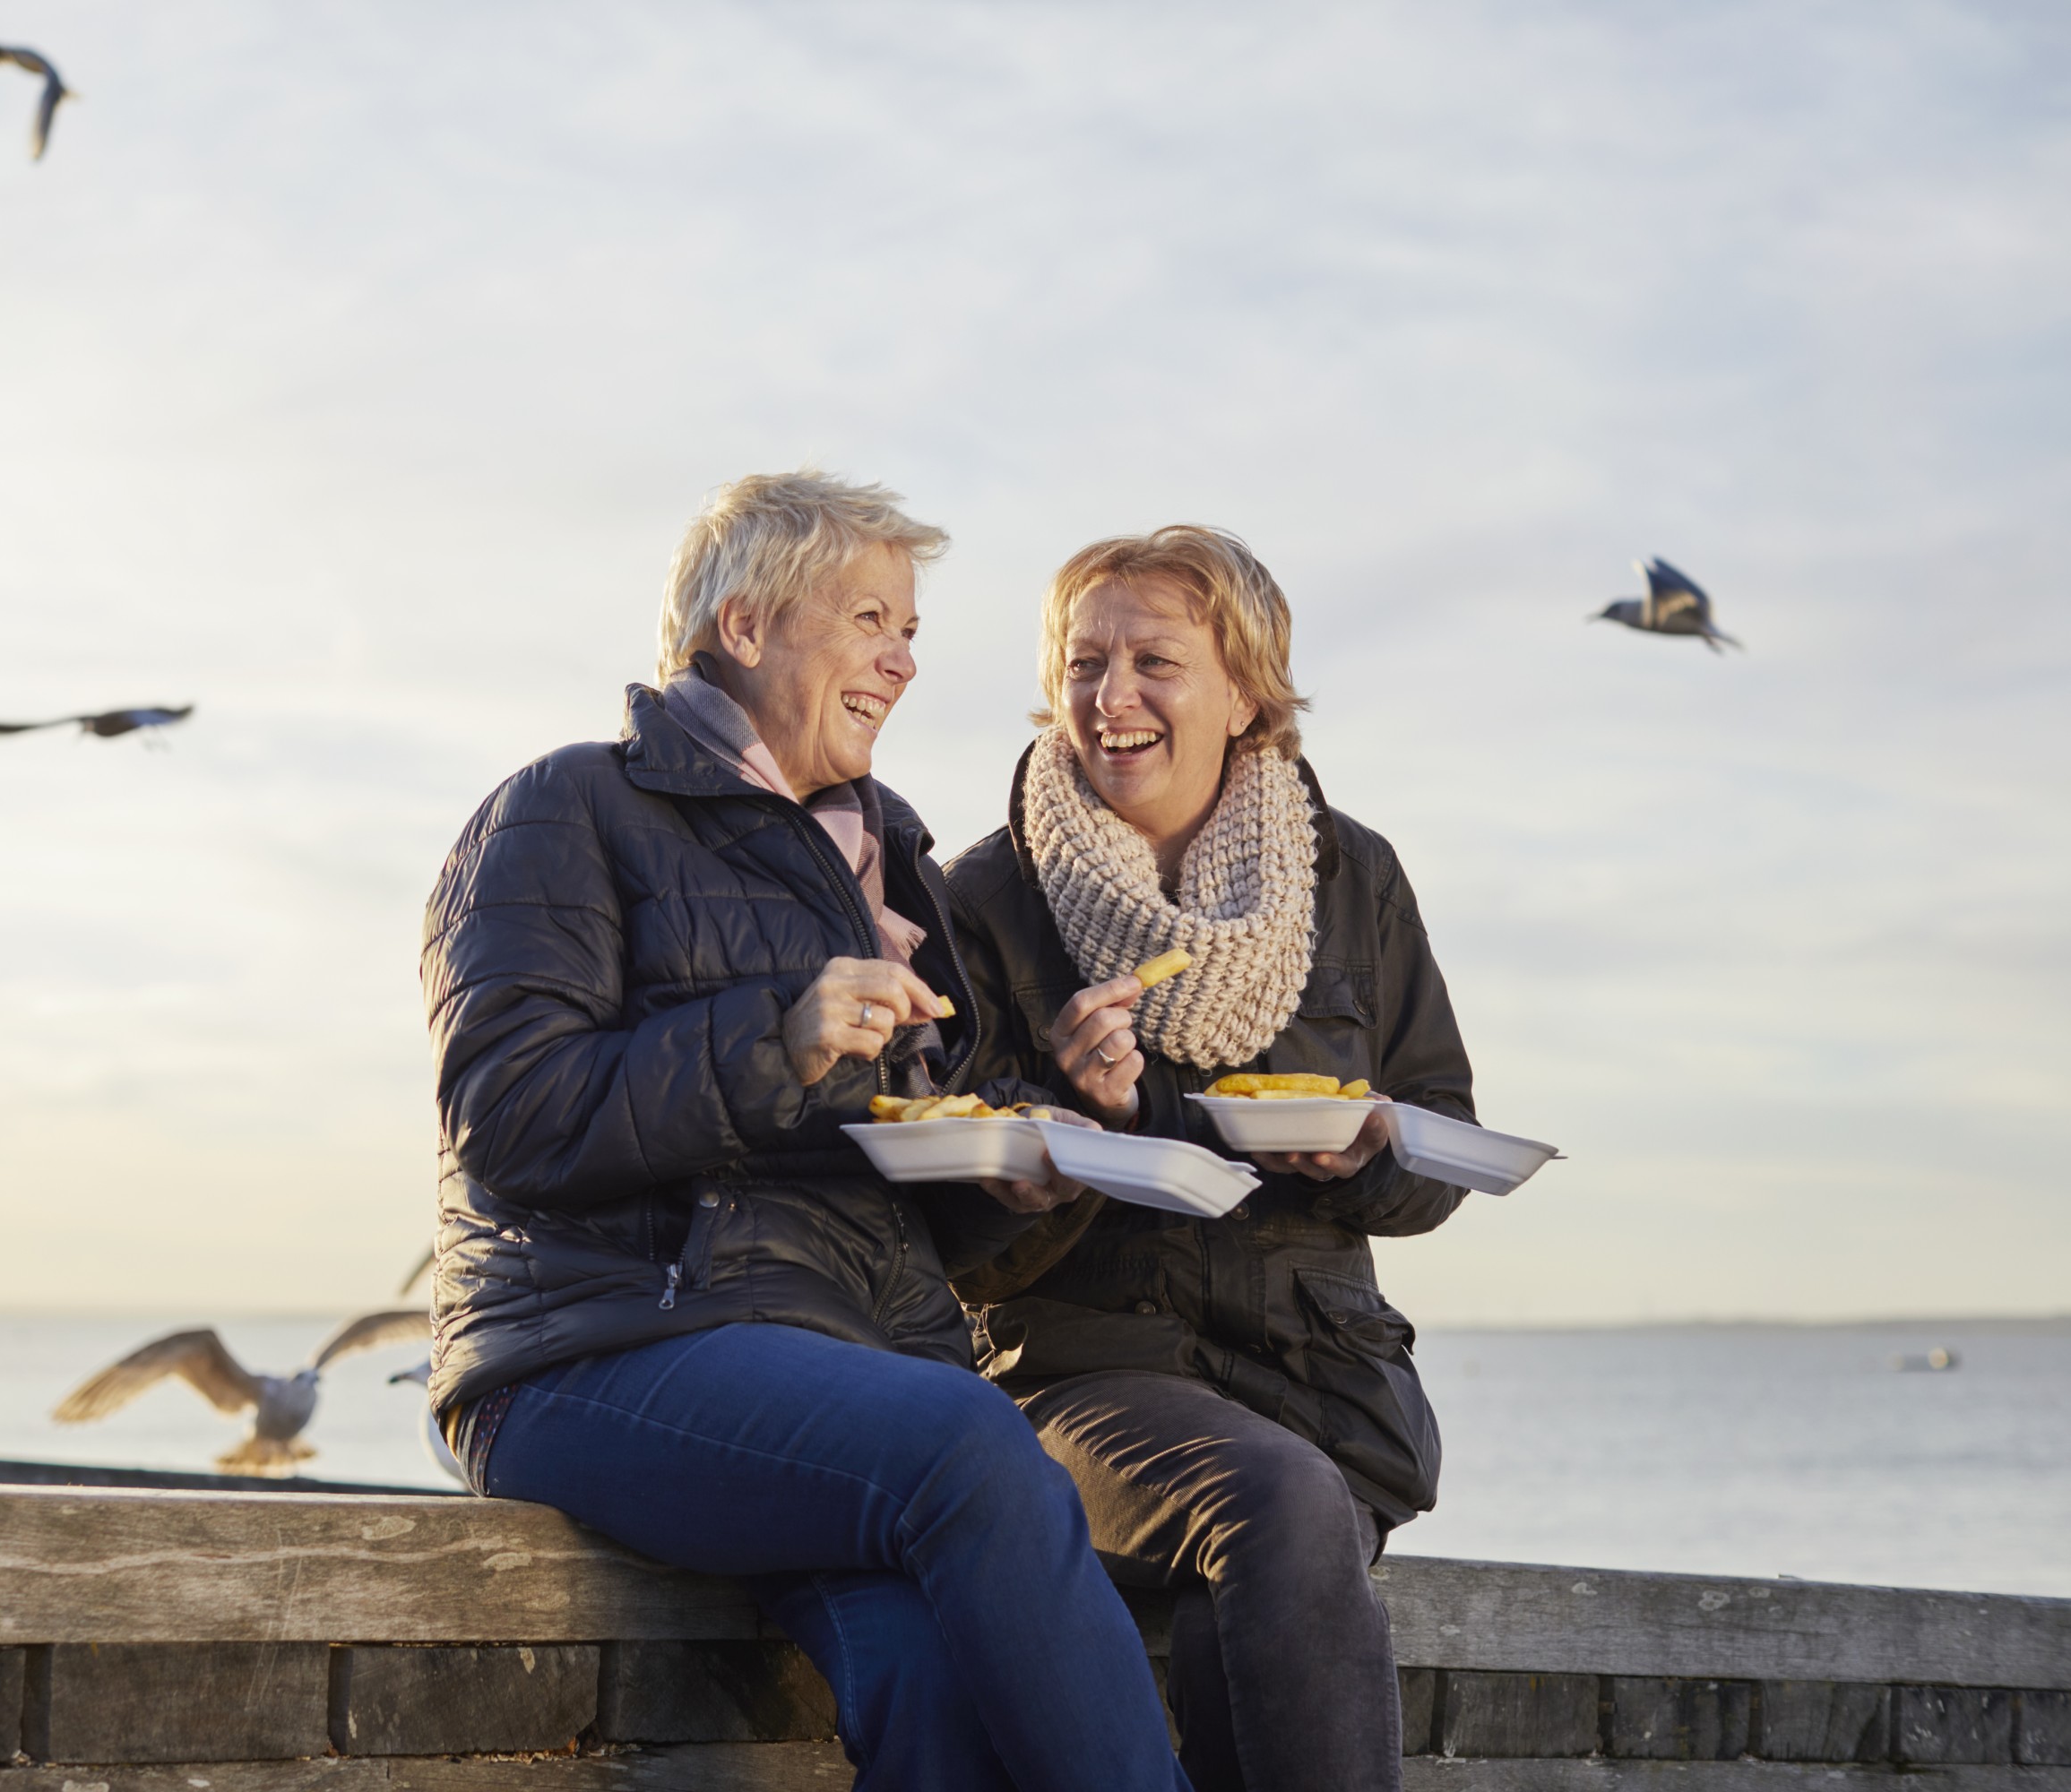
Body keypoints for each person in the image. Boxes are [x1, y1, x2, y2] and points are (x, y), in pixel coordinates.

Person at [419, 472, 1188, 1792]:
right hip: (595, 1346)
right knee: (965, 1442)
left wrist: (1037, 1154)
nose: (902, 660)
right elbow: (512, 1116)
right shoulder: (565, 810)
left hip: (834, 1376)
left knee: (931, 1678)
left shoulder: (889, 860)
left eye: (911, 632)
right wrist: (777, 1035)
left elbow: (907, 1193)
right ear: (749, 624)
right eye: (871, 619)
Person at [945, 526, 1478, 1792]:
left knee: (1264, 1565)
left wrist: (1362, 1158)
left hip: (1320, 1383)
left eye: (1154, 662)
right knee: (1282, 1510)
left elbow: (1440, 1140)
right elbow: (954, 1247)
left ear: (1245, 692)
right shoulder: (984, 897)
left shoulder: (1353, 876)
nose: (1109, 699)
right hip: (1079, 1377)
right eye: (1084, 662)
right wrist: (1076, 1120)